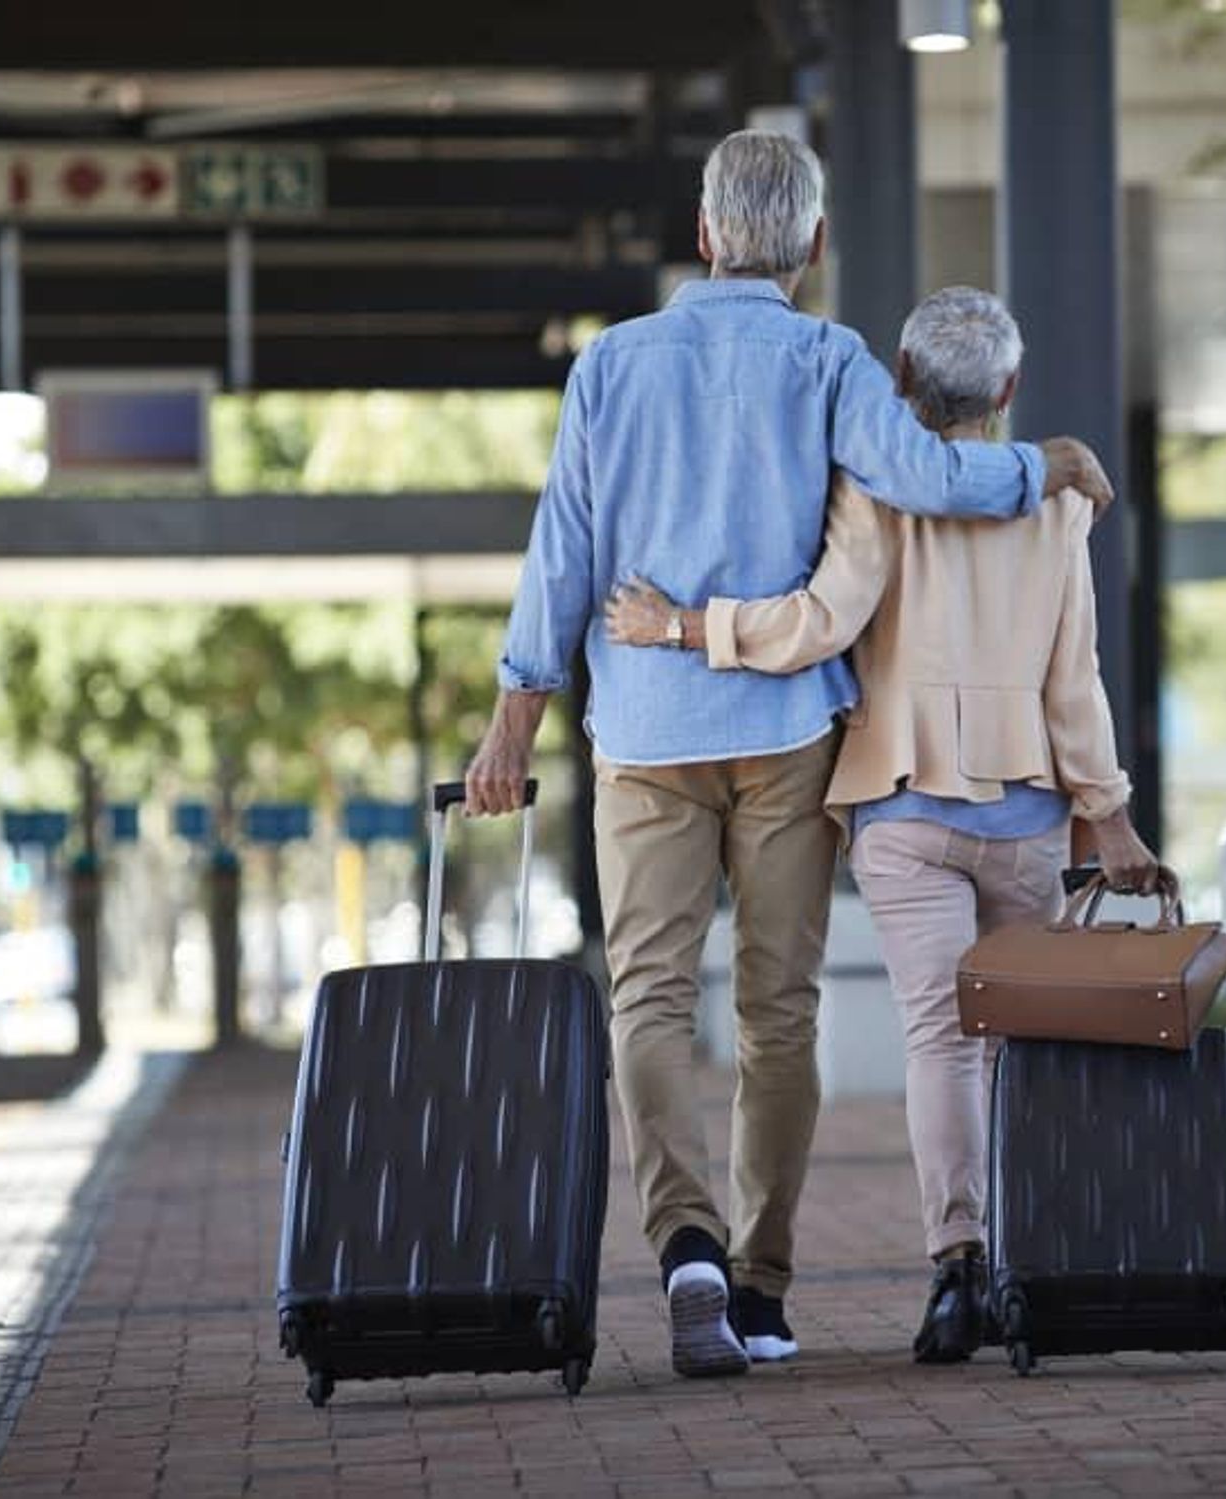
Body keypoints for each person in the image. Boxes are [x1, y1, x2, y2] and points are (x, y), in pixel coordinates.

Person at [464, 133, 1113, 1380]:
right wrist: (1042, 466)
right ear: (813, 249)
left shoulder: (609, 363)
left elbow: (564, 544)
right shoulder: (828, 360)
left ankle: (688, 1247)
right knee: (777, 1012)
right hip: (785, 739)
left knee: (647, 997)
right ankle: (759, 1289)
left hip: (645, 734)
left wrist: (515, 714)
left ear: (704, 236)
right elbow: (923, 474)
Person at [603, 285, 1159, 1365]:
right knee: (1014, 1042)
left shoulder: (872, 492)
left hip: (902, 804)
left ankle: (954, 1268)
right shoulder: (1057, 504)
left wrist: (682, 625)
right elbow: (1072, 679)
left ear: (897, 381)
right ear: (1007, 390)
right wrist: (1110, 814)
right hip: (1029, 808)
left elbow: (820, 624)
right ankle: (1022, 1263)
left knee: (938, 1037)